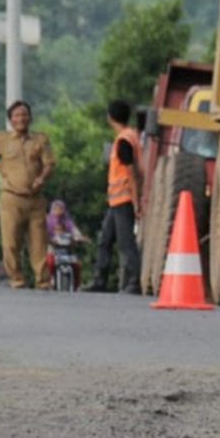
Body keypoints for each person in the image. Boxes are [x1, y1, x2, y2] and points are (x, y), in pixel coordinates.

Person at [0, 101, 55, 289]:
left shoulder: (40, 140)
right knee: (10, 241)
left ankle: (43, 281)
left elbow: (50, 164)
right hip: (11, 197)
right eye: (17, 115)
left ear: (30, 117)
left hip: (36, 198)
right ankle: (17, 279)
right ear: (11, 120)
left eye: (24, 114)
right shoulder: (1, 139)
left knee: (39, 242)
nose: (21, 118)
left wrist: (42, 178)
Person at [85, 100, 143, 294]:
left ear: (110, 117)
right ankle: (99, 280)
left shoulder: (123, 141)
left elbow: (132, 172)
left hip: (124, 199)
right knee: (105, 240)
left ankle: (135, 281)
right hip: (116, 201)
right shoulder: (130, 136)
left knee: (126, 243)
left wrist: (136, 201)